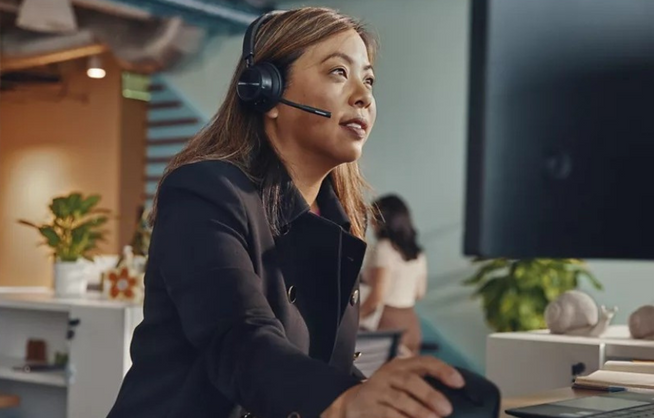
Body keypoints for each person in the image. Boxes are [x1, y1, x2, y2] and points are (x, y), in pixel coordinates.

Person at [106, 7, 464, 418]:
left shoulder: (341, 220)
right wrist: (341, 400)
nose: (364, 96)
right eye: (338, 73)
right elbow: (238, 336)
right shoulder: (206, 191)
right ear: (269, 93)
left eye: (368, 79)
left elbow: (324, 361)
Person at [359, 195, 428, 356]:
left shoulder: (384, 249)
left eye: (374, 217)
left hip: (388, 324)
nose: (371, 223)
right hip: (411, 322)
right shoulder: (418, 253)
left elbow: (378, 296)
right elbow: (420, 293)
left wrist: (353, 321)